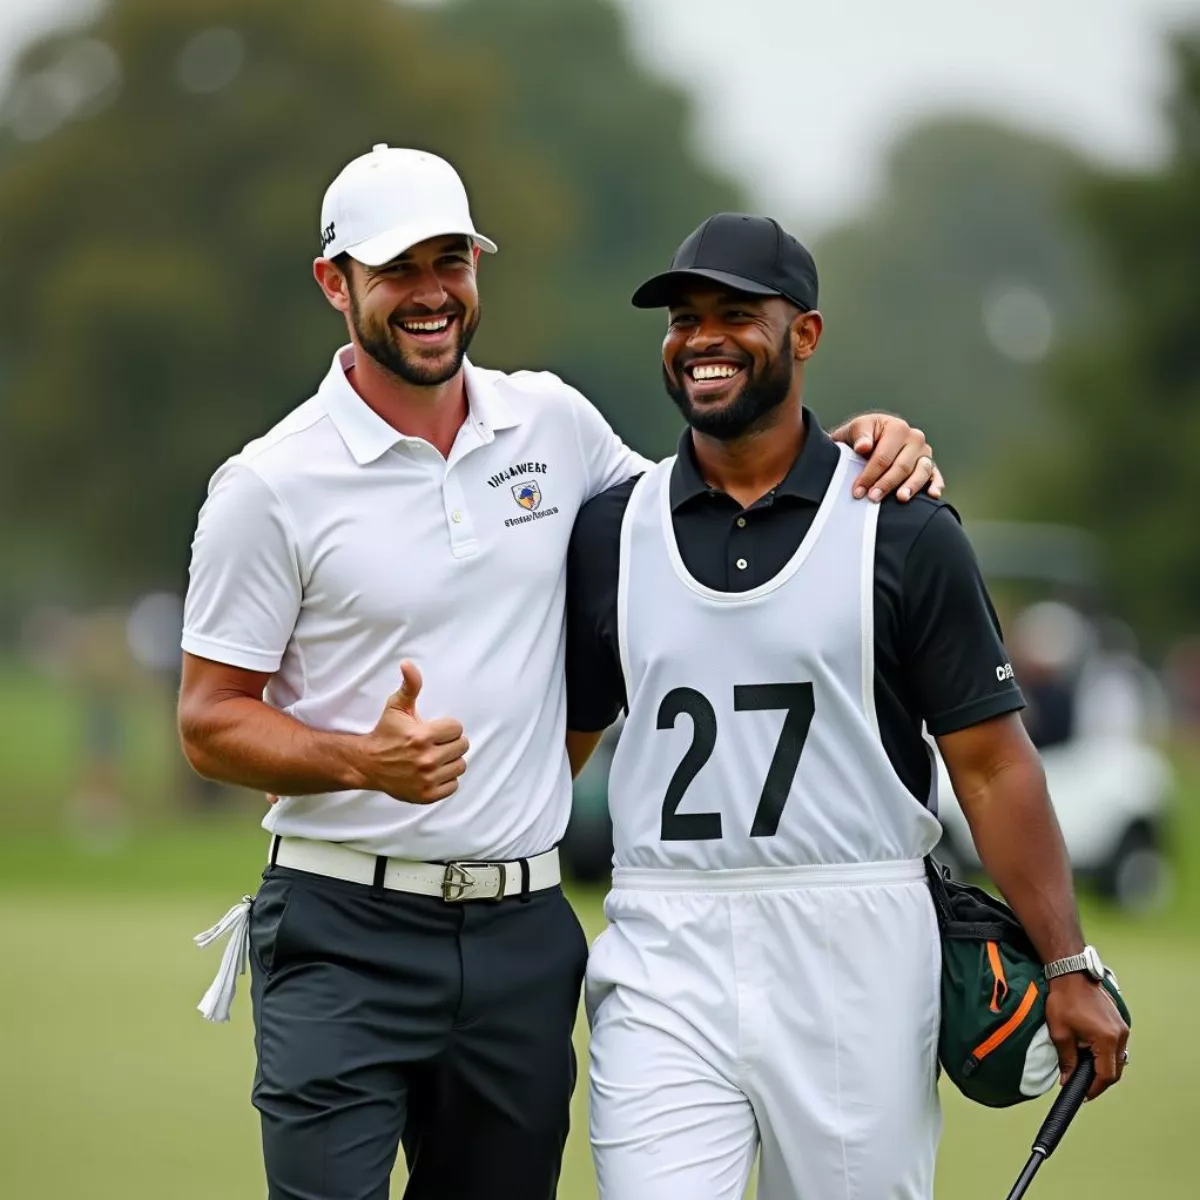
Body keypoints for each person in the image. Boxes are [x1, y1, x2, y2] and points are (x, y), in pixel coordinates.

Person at [178, 146, 942, 1200]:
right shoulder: (269, 484)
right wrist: (362, 761)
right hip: (341, 926)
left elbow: (714, 510)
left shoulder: (554, 424)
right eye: (398, 269)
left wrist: (864, 442)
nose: (432, 293)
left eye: (452, 261)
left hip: (521, 937)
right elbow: (210, 720)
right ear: (335, 284)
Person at [564, 212, 1130, 1200]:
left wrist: (1069, 962)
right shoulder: (612, 529)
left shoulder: (906, 531)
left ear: (806, 336)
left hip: (856, 941)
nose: (701, 338)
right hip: (663, 934)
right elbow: (559, 751)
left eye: (735, 314)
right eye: (683, 318)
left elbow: (992, 769)